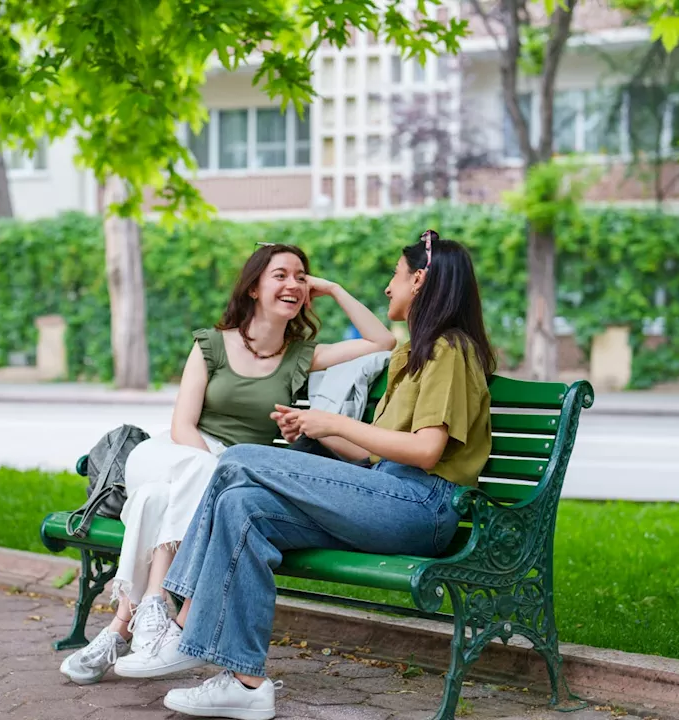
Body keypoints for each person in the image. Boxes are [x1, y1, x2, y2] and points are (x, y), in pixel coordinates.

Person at [131, 230, 497, 720]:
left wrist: (333, 421)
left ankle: (182, 623)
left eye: (394, 274)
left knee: (239, 458)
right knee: (241, 507)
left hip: (422, 507)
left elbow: (427, 452)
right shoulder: (412, 354)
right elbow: (370, 459)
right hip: (386, 496)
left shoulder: (449, 350)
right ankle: (246, 681)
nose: (389, 287)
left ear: (420, 278)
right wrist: (314, 430)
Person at [60, 243, 397, 685]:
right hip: (174, 452)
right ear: (254, 287)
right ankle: (158, 605)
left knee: (155, 500)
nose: (293, 284)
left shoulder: (300, 356)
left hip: (219, 472)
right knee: (191, 476)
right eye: (280, 275)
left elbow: (383, 340)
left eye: (301, 276)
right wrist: (215, 469)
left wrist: (332, 288)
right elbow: (182, 423)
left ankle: (119, 626)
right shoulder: (211, 343)